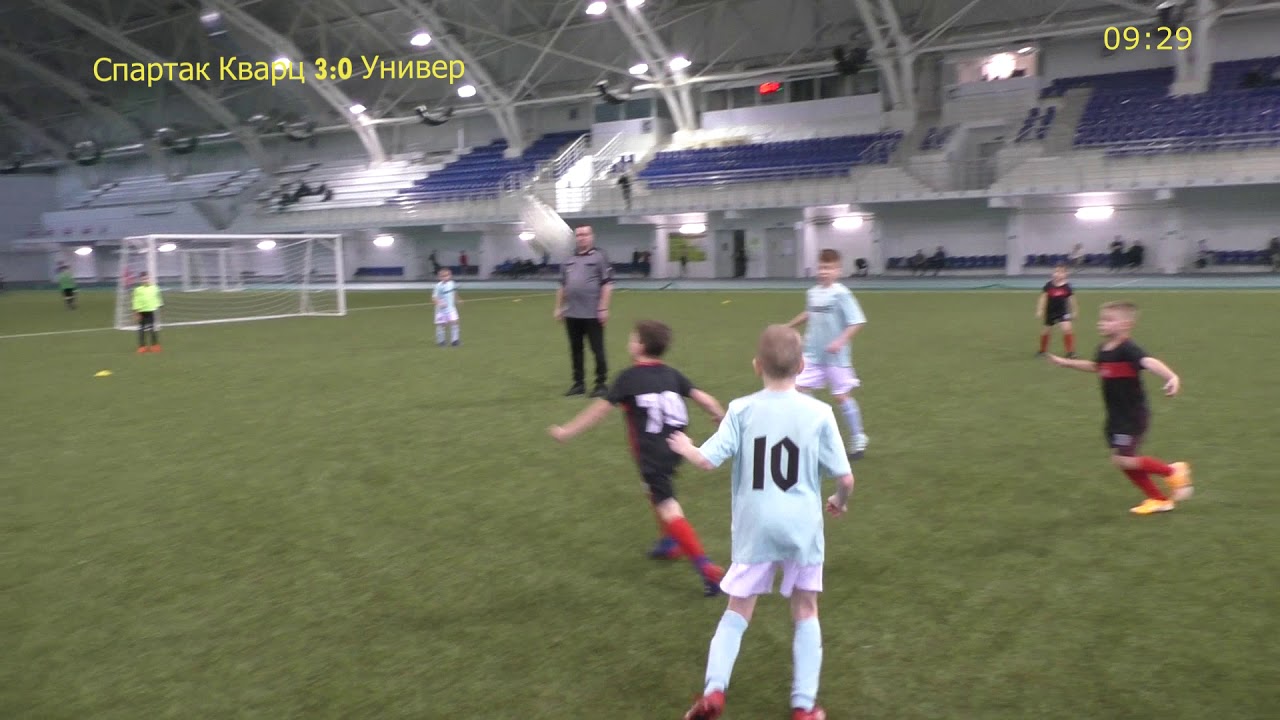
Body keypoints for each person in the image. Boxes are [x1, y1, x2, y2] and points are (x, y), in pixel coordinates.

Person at [667, 325, 855, 720]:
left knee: (737, 609)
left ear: (757, 366)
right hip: (802, 528)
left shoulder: (741, 409)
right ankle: (804, 706)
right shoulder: (819, 413)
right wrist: (838, 501)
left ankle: (714, 692)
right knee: (806, 610)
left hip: (756, 529)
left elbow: (706, 460)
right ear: (802, 366)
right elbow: (846, 478)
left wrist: (685, 445)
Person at [548, 320, 727, 595]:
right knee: (652, 491)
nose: (629, 342)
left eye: (632, 338)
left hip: (652, 453)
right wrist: (720, 417)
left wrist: (567, 431)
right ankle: (668, 542)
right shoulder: (672, 374)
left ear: (640, 346)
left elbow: (598, 412)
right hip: (677, 446)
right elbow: (704, 399)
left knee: (668, 507)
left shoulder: (628, 378)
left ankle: (706, 569)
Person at [1047, 301, 1194, 514]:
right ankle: (1159, 499)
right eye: (1101, 319)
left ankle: (1172, 471)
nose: (1101, 323)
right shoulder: (1103, 349)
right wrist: (1066, 363)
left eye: (1108, 320)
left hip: (1132, 415)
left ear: (1126, 325)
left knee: (1123, 459)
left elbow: (1148, 362)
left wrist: (1171, 376)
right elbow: (1096, 367)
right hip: (1115, 417)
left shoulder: (1128, 349)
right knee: (1124, 461)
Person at [786, 248, 869, 458]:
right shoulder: (812, 292)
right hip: (812, 354)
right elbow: (810, 312)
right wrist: (789, 325)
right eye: (822, 267)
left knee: (841, 396)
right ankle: (819, 426)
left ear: (838, 271)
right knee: (797, 389)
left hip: (835, 358)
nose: (824, 272)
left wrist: (840, 341)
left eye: (829, 268)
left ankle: (858, 437)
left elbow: (857, 321)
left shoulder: (842, 294)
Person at [555, 225, 614, 397]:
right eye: (579, 235)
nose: (582, 237)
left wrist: (603, 307)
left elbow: (607, 284)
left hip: (592, 313)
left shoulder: (600, 256)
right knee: (576, 350)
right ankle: (578, 383)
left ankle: (601, 384)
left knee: (597, 349)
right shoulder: (568, 259)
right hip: (572, 313)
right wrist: (559, 307)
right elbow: (563, 285)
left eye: (585, 234)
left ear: (591, 236)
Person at [1036, 264, 1078, 358]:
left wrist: (1075, 311)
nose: (1058, 274)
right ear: (1053, 273)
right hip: (1050, 312)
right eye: (1056, 271)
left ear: (1065, 274)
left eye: (1061, 272)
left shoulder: (1067, 287)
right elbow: (1043, 298)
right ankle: (1042, 351)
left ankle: (1070, 352)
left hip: (1063, 311)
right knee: (1045, 331)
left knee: (1067, 329)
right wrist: (1040, 309)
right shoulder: (1049, 285)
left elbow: (1072, 299)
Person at [132, 272, 163, 353]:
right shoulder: (138, 290)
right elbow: (136, 301)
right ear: (140, 280)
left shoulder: (154, 288)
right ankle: (142, 346)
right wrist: (136, 311)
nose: (145, 280)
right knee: (141, 329)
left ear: (149, 279)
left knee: (152, 328)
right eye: (143, 279)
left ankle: (154, 345)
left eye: (146, 278)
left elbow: (158, 298)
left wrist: (160, 305)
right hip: (141, 311)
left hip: (151, 311)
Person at [432, 267, 460, 347]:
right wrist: (439, 303)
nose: (445, 277)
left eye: (447, 275)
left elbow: (454, 292)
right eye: (443, 276)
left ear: (450, 276)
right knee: (441, 325)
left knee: (454, 322)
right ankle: (441, 341)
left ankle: (455, 341)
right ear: (439, 277)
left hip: (451, 309)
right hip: (441, 310)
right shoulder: (438, 286)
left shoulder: (452, 283)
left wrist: (458, 299)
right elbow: (434, 297)